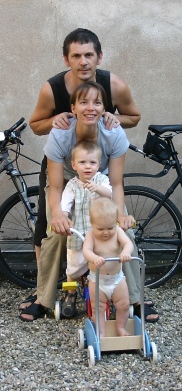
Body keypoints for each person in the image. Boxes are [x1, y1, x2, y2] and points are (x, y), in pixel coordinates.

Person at [19, 28, 158, 322]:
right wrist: (58, 213)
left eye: (89, 55)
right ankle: (43, 299)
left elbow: (117, 182)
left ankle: (134, 300)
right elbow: (55, 185)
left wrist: (119, 214)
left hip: (101, 180)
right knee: (54, 232)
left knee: (124, 232)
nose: (83, 61)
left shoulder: (112, 126)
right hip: (66, 177)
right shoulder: (59, 128)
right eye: (76, 55)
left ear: (99, 56)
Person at [61, 140, 112, 317]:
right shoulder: (72, 185)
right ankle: (71, 294)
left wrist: (98, 188)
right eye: (83, 162)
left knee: (103, 266)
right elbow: (65, 205)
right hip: (79, 235)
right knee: (73, 269)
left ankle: (105, 295)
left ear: (99, 164)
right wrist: (65, 217)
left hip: (99, 235)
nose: (88, 167)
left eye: (92, 162)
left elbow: (110, 194)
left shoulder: (102, 180)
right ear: (74, 165)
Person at [83, 197, 134, 337]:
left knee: (124, 304)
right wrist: (94, 258)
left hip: (117, 279)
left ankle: (120, 327)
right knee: (97, 308)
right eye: (100, 229)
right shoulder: (90, 235)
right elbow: (86, 251)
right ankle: (100, 332)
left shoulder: (117, 231)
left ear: (115, 223)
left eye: (110, 227)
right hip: (97, 280)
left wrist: (125, 252)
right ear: (92, 224)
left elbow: (128, 244)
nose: (106, 232)